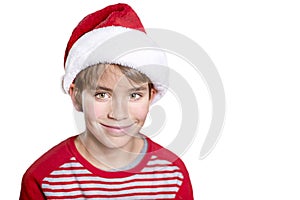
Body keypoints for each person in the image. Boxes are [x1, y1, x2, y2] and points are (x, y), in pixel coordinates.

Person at [20, 3, 194, 199]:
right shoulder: (44, 178)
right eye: (102, 95)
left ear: (151, 96)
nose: (118, 113)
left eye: (134, 95)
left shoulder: (172, 175)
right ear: (76, 95)